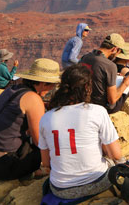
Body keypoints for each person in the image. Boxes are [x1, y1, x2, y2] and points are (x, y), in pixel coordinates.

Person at [39, 64, 121, 199]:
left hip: (61, 189)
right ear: (88, 87)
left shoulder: (46, 118)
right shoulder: (97, 111)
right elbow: (116, 155)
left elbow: (46, 163)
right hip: (97, 183)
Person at [0, 58, 60, 180]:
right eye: (53, 85)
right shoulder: (33, 99)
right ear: (44, 83)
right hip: (4, 165)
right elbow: (40, 142)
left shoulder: (12, 90)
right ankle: (35, 173)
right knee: (52, 149)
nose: (52, 88)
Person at [79, 33, 129, 114]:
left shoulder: (84, 58)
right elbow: (112, 100)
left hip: (83, 101)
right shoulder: (110, 65)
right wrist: (125, 84)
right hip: (102, 107)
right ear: (115, 49)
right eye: (119, 51)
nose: (117, 55)